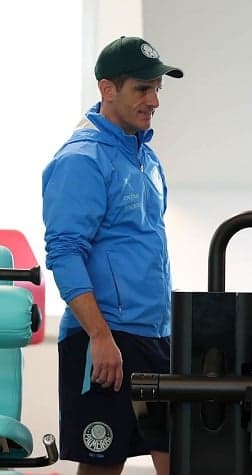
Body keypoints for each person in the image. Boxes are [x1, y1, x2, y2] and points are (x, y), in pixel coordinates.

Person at [42, 36, 182, 475]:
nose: (154, 100)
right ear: (107, 89)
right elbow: (64, 253)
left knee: (181, 459)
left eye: (157, 87)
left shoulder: (147, 158)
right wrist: (101, 337)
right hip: (103, 340)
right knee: (103, 468)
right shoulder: (80, 160)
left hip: (155, 337)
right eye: (143, 89)